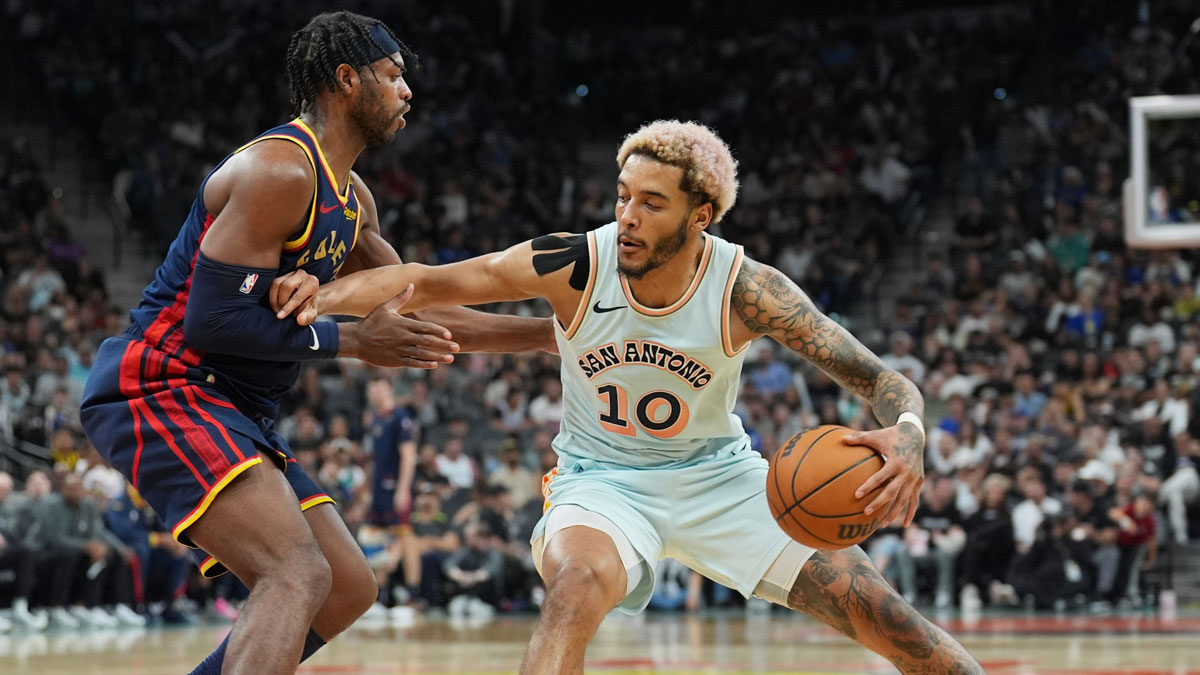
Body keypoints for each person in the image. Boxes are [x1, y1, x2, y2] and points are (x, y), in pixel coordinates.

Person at [281, 120, 983, 673]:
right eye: (623, 196)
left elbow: (883, 381)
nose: (629, 216)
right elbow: (427, 282)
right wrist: (324, 294)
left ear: (701, 214)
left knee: (889, 617)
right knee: (576, 587)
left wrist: (910, 432)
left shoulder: (746, 288)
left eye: (652, 203)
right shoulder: (577, 262)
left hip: (719, 476)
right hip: (603, 480)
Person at [78, 11, 553, 675]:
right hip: (161, 383)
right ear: (345, 79)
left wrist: (548, 336)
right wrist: (356, 342)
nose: (407, 90)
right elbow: (209, 324)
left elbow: (417, 308)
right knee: (295, 570)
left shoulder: (351, 200)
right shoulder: (280, 170)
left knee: (346, 585)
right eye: (392, 75)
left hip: (232, 406)